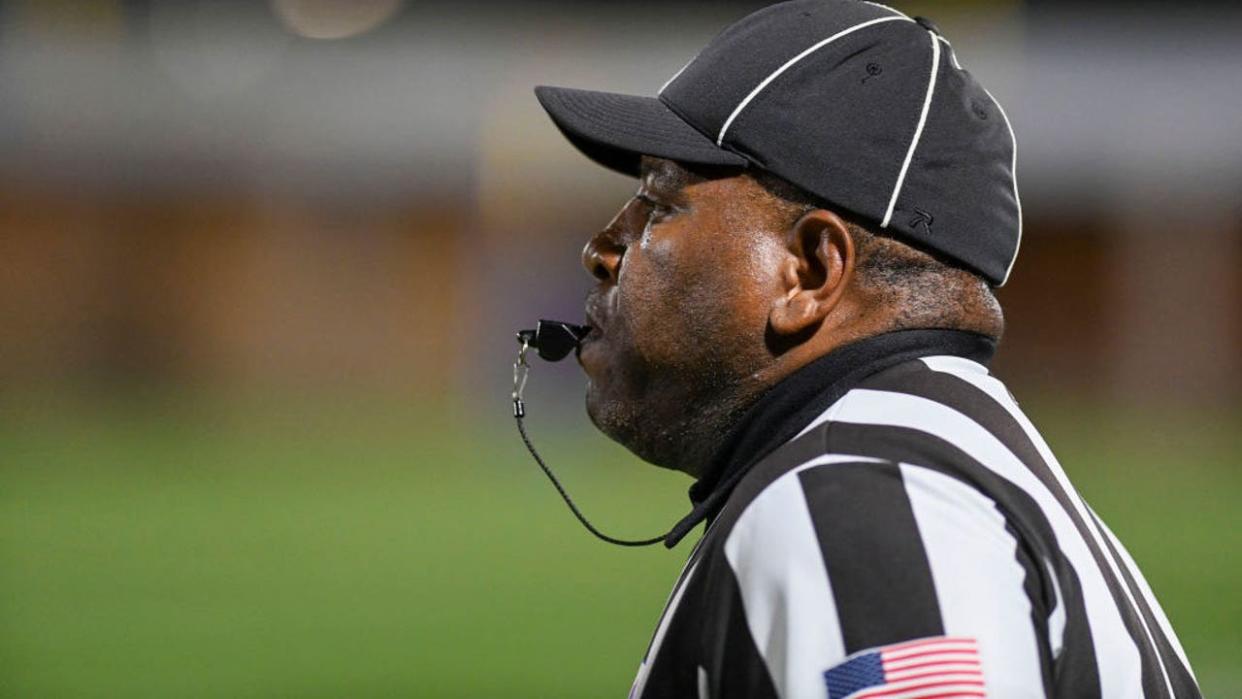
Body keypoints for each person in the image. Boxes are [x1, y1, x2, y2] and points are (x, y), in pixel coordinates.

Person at [532, 1, 1200, 697]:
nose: (600, 247)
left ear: (810, 272)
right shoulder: (916, 458)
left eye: (661, 204)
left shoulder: (856, 498)